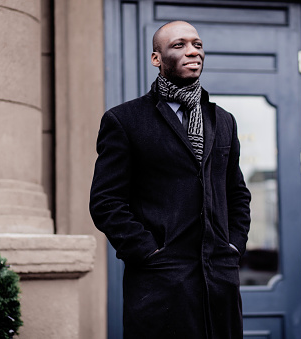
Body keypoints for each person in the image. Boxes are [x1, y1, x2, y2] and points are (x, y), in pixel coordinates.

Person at [89, 20, 251, 339]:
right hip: (159, 288)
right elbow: (106, 202)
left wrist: (234, 245)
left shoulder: (224, 122)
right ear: (157, 58)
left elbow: (237, 194)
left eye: (197, 44)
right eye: (179, 45)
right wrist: (148, 252)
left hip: (220, 284)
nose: (192, 51)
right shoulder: (124, 121)